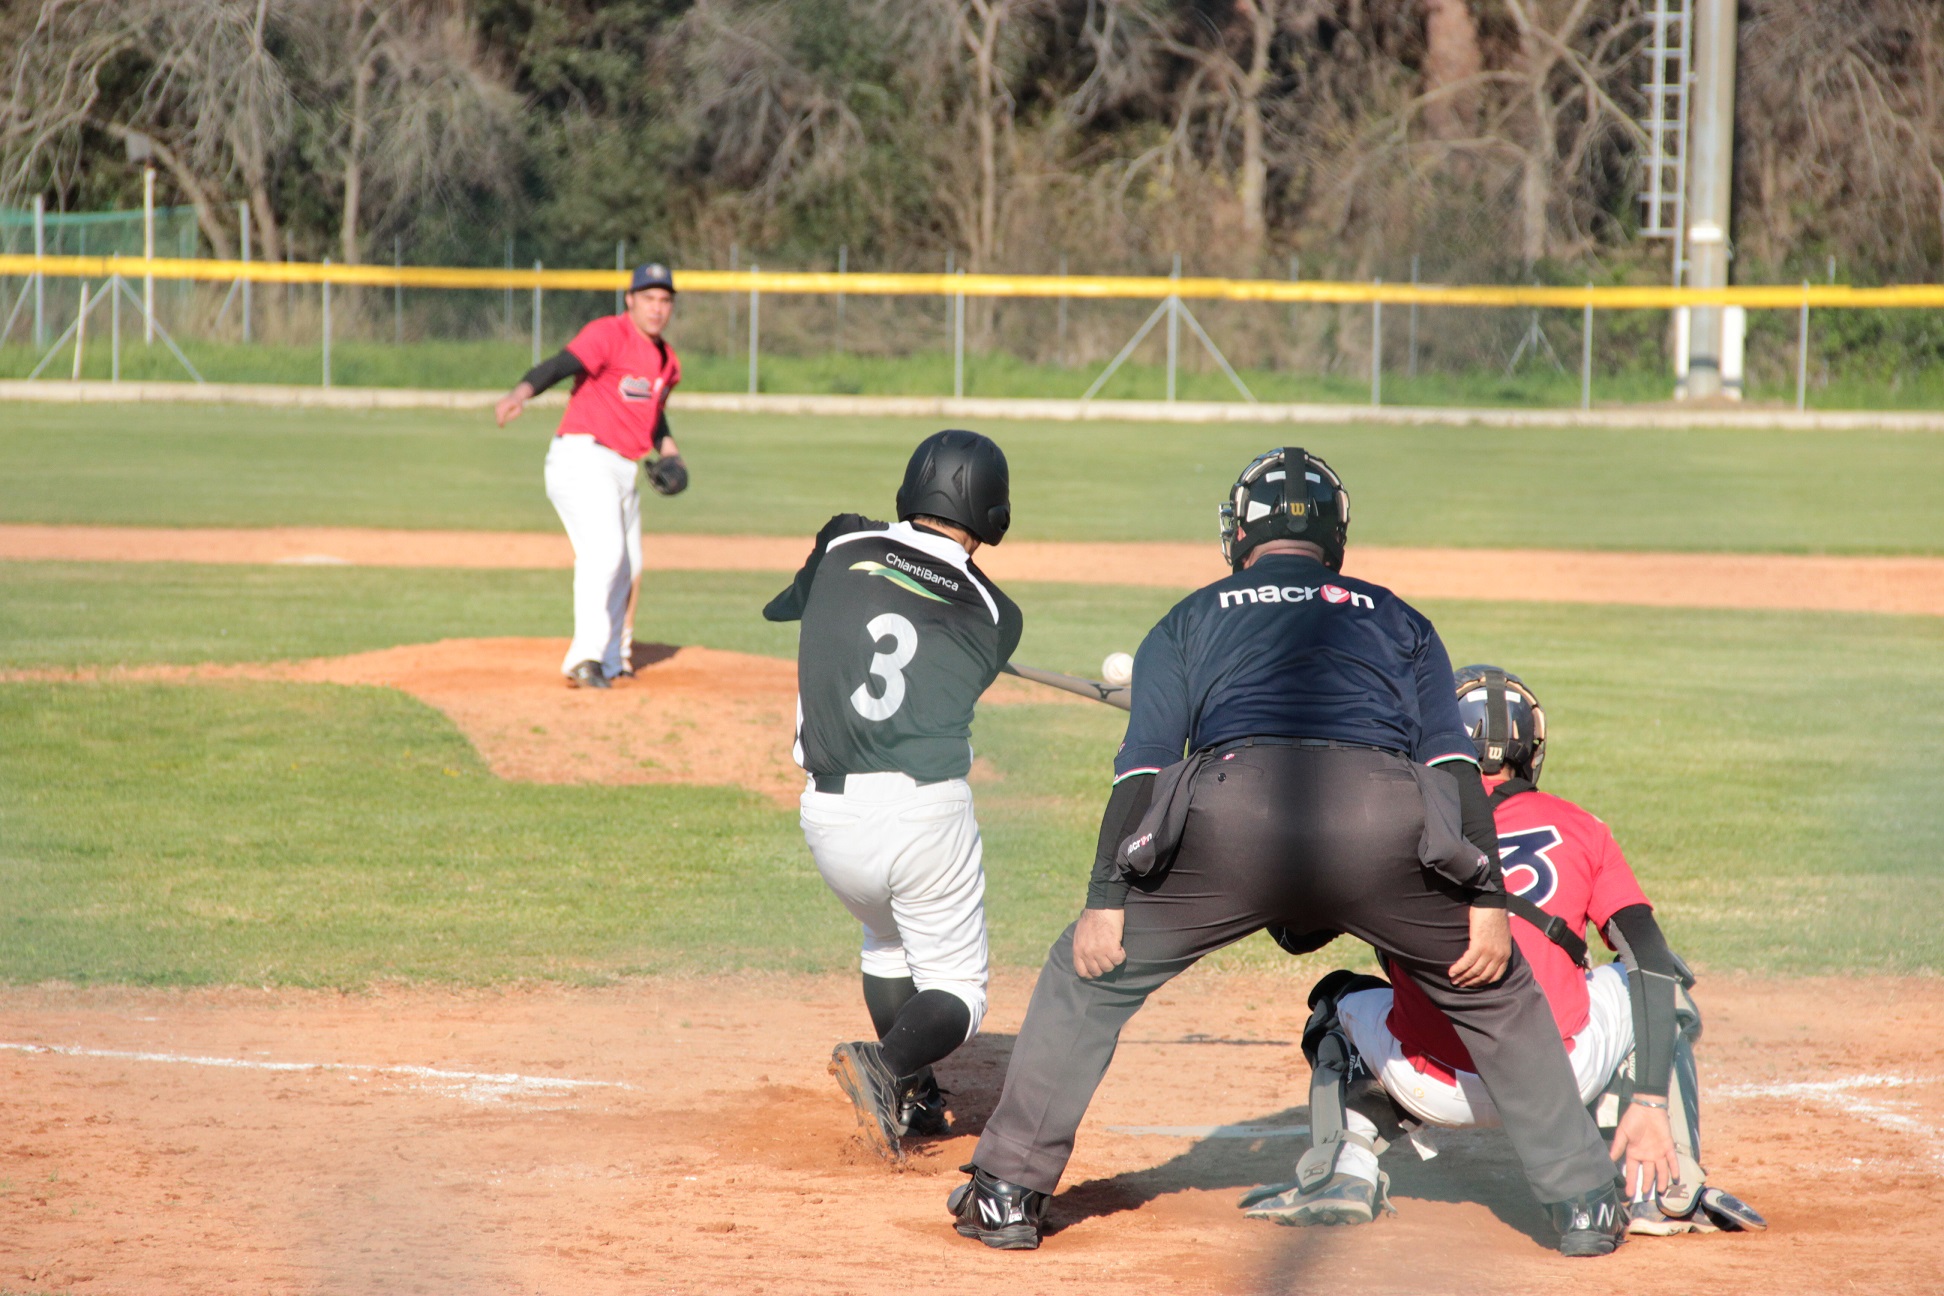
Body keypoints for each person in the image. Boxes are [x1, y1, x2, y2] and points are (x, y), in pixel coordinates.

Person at [948, 448, 1627, 1256]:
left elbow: (1144, 772)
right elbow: (1452, 772)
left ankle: (1006, 1190)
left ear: (1239, 531)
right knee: (1499, 991)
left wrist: (1107, 900)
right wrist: (1484, 901)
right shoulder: (1399, 618)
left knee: (1085, 976)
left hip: (1234, 818)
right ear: (1335, 537)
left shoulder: (1190, 617)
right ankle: (1584, 1202)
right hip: (1382, 821)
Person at [1262, 665, 1766, 1236]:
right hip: (1559, 1076)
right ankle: (1663, 1184)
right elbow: (1648, 956)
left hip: (1432, 1085)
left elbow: (1293, 936)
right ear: (1531, 750)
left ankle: (1343, 1170)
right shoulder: (1581, 827)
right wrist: (1647, 1096)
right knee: (1655, 984)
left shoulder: (1391, 824)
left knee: (1338, 1003)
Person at [763, 430, 1022, 1164]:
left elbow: (796, 605)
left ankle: (913, 1094)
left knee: (887, 940)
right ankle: (884, 1064)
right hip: (921, 817)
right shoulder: (998, 615)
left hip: (828, 818)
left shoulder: (844, 544)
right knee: (960, 992)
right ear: (993, 512)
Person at [494, 263, 689, 689]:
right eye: (649, 298)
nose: (657, 308)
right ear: (630, 300)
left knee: (629, 566)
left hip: (624, 467)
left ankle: (613, 658)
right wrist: (520, 393)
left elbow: (652, 415)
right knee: (605, 555)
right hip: (583, 458)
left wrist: (670, 450)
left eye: (665, 300)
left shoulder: (666, 361)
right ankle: (584, 658)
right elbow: (560, 365)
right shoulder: (608, 334)